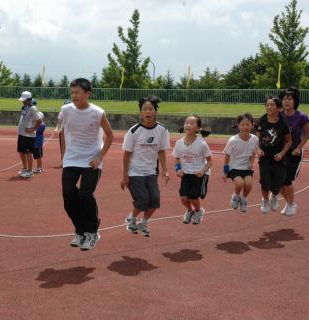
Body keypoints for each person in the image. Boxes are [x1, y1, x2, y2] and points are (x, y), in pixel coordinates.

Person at [60, 78, 114, 250]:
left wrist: (100, 156)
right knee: (68, 196)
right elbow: (62, 133)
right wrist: (64, 157)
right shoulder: (66, 110)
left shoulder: (98, 112)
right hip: (72, 158)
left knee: (84, 195)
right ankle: (80, 231)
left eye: (77, 92)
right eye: (72, 92)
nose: (74, 95)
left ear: (88, 93)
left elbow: (110, 135)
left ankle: (92, 232)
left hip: (92, 158)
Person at [121, 96, 170, 237]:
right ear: (140, 113)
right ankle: (132, 219)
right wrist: (125, 176)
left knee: (154, 200)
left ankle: (143, 222)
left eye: (150, 109)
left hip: (151, 171)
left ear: (155, 112)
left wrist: (165, 170)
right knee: (143, 200)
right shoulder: (134, 131)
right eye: (144, 109)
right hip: (135, 172)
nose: (148, 112)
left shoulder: (162, 130)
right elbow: (126, 154)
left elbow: (161, 151)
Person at [172, 114, 212, 225]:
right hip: (186, 174)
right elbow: (176, 159)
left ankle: (198, 211)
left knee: (194, 197)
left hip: (199, 174)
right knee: (184, 198)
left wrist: (202, 171)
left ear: (198, 128)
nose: (188, 125)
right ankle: (190, 211)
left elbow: (210, 161)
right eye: (186, 122)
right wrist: (178, 169)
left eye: (192, 123)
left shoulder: (202, 143)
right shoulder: (179, 143)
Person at [255, 96, 292, 214]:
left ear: (279, 108)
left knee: (277, 184)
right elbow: (256, 139)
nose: (269, 107)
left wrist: (282, 153)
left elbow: (289, 141)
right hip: (264, 158)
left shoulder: (283, 124)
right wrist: (258, 149)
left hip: (279, 159)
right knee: (265, 181)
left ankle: (274, 196)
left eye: (272, 105)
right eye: (267, 105)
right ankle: (265, 200)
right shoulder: (261, 121)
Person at [279, 87, 309, 216]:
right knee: (277, 182)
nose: (286, 101)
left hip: (294, 152)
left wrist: (298, 148)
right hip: (281, 152)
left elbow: (307, 134)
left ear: (295, 101)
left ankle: (291, 204)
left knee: (286, 180)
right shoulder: (278, 115)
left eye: (289, 99)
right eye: (284, 99)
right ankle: (289, 202)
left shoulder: (301, 116)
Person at [222, 113, 259, 213]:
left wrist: (252, 162)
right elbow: (226, 155)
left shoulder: (255, 139)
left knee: (249, 184)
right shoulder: (233, 140)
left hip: (247, 168)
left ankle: (244, 200)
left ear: (252, 125)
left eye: (248, 124)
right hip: (234, 167)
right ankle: (236, 196)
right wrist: (225, 172)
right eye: (243, 124)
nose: (245, 127)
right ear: (238, 126)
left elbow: (253, 153)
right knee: (240, 183)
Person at [17, 91, 42, 178]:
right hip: (22, 134)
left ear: (29, 99)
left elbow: (39, 120)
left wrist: (33, 129)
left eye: (24, 100)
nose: (22, 101)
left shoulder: (33, 108)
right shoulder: (25, 107)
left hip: (29, 136)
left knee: (28, 153)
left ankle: (30, 171)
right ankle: (25, 168)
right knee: (20, 151)